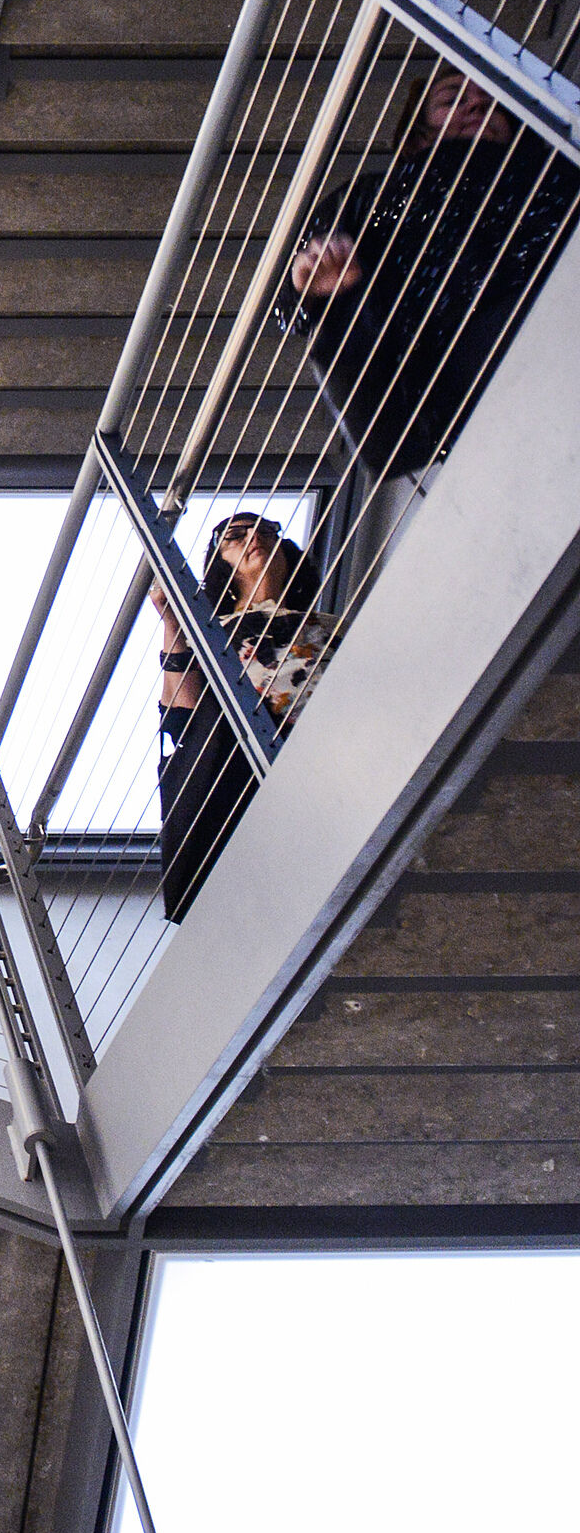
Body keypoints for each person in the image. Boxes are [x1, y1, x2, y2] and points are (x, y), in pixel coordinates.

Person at [281, 64, 579, 498]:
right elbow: (300, 301)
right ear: (417, 134)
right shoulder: (374, 195)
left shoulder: (555, 170)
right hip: (455, 368)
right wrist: (315, 283)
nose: (478, 102)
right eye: (452, 98)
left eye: (490, 99)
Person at [154, 513, 329, 923]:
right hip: (244, 775)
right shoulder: (213, 635)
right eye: (234, 536)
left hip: (320, 769)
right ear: (221, 567)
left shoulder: (329, 626)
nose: (253, 537)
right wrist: (171, 624)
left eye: (265, 530)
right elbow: (180, 715)